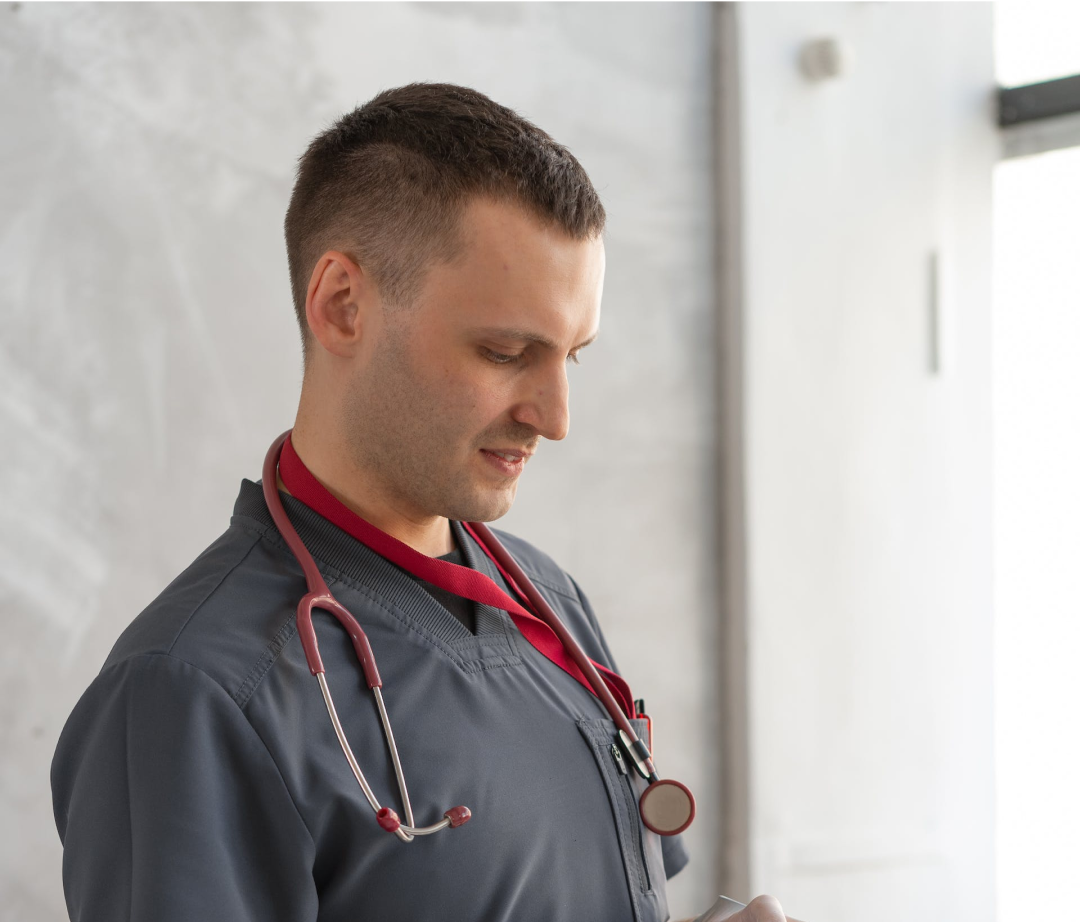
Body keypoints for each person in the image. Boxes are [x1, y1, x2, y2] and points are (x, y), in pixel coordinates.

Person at [51, 83, 794, 922]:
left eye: (572, 357)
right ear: (342, 306)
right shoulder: (192, 695)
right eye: (506, 351)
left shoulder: (548, 606)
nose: (554, 418)